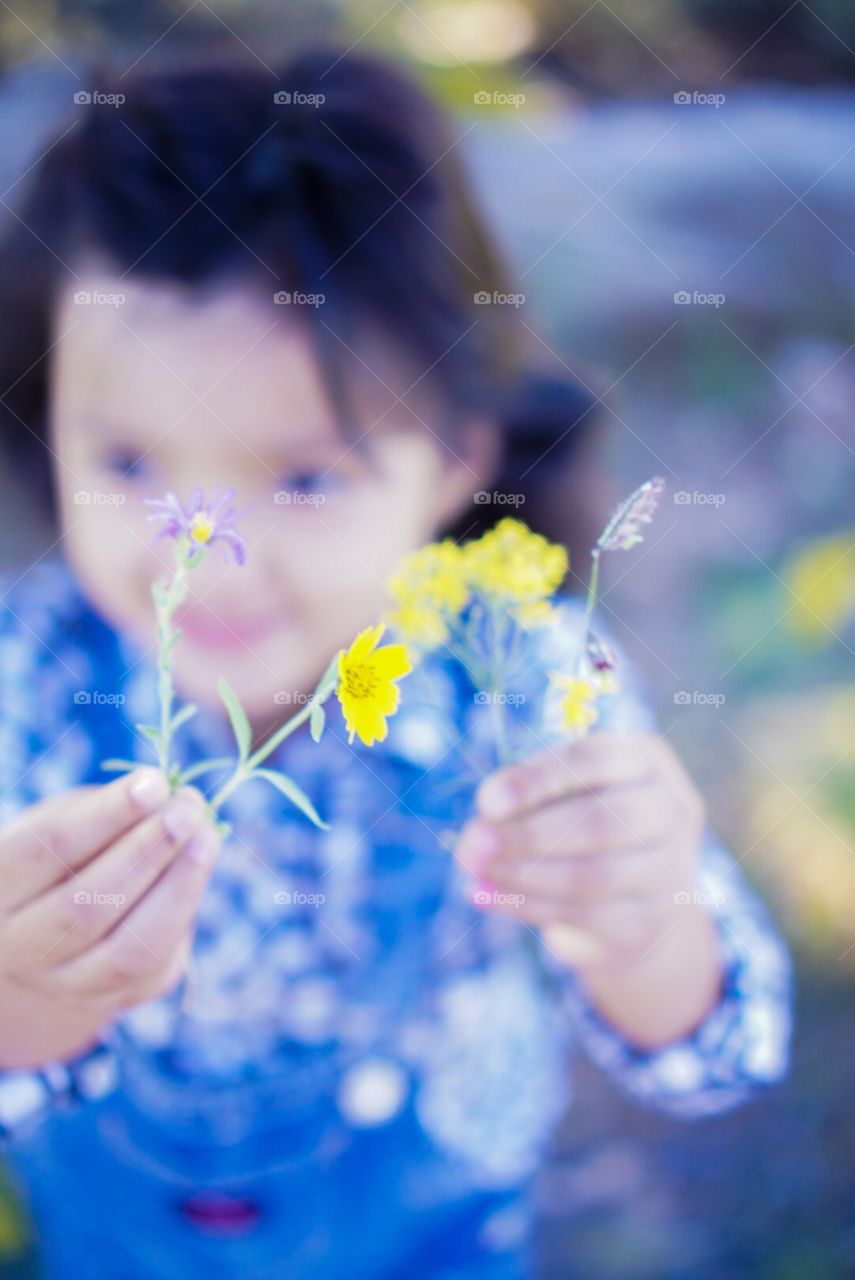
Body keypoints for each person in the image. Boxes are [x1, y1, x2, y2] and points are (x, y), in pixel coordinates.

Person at [0, 51, 791, 1280]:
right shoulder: (27, 681)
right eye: (130, 464)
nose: (206, 553)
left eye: (305, 475)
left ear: (462, 449)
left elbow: (716, 1050)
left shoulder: (524, 671)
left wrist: (639, 917)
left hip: (441, 1229)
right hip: (120, 1237)